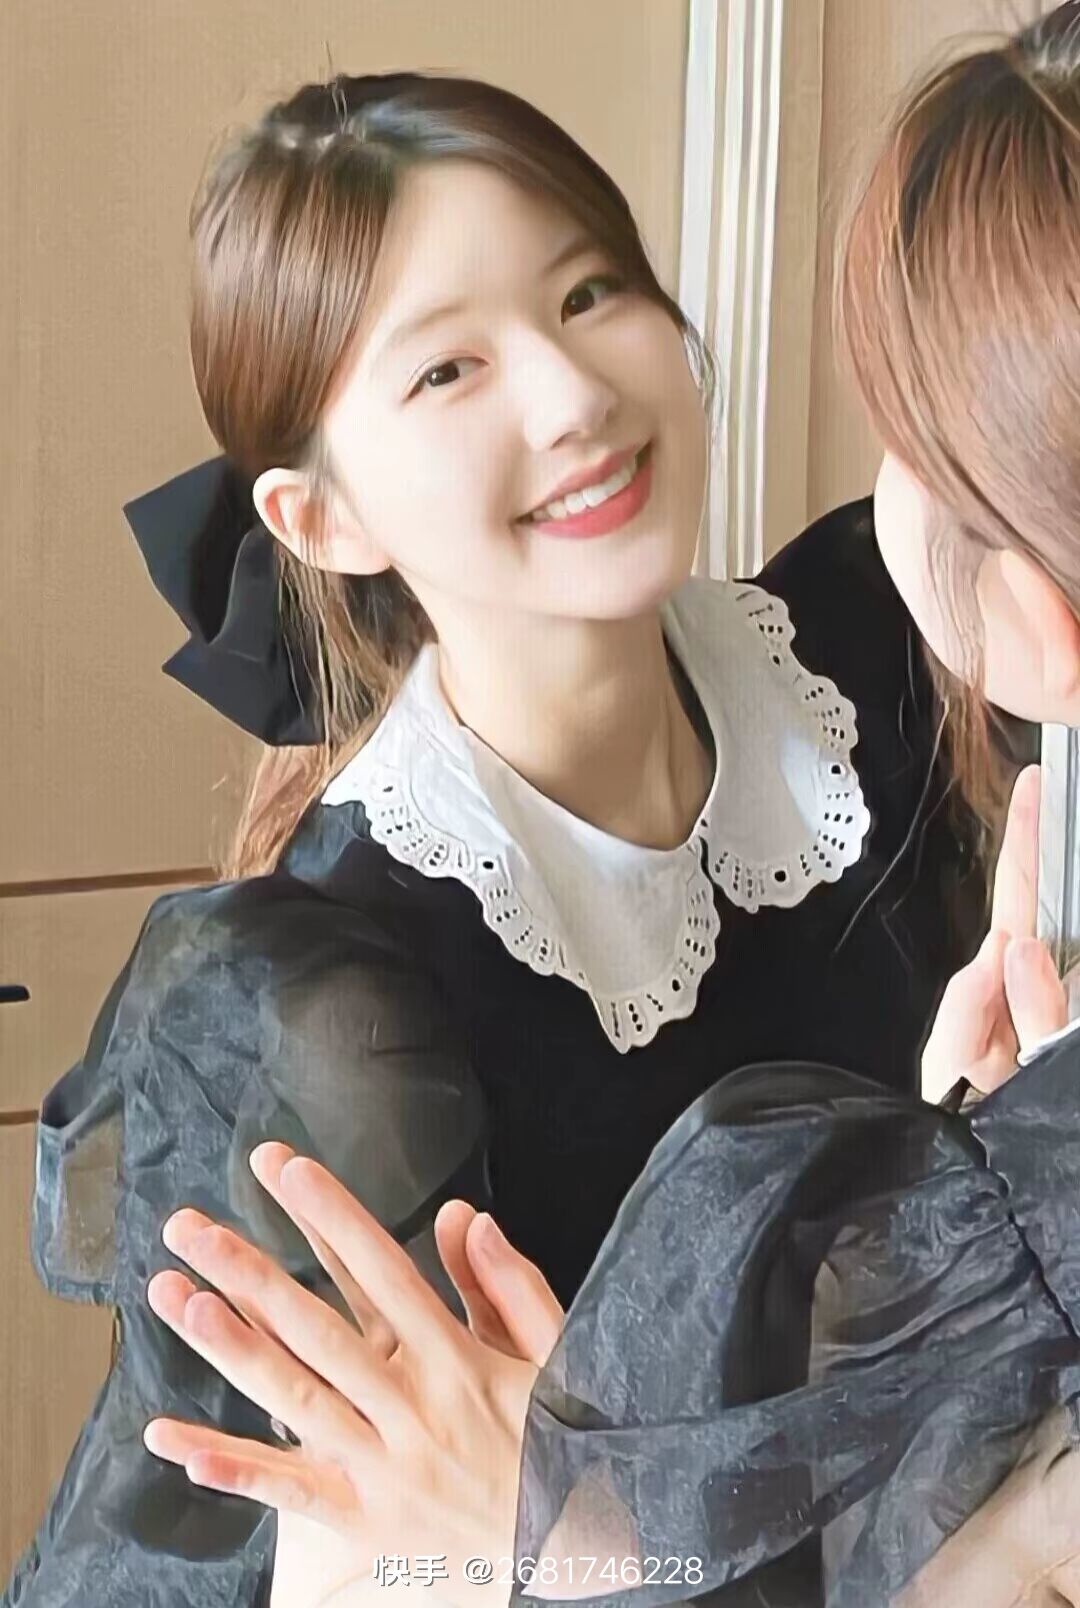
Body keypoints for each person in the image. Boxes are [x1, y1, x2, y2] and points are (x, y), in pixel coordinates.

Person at [4, 62, 1004, 1608]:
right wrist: (584, 1538)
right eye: (447, 370)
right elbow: (383, 1567)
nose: (574, 395)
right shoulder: (332, 1017)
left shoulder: (878, 629)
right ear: (322, 519)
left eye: (591, 291)